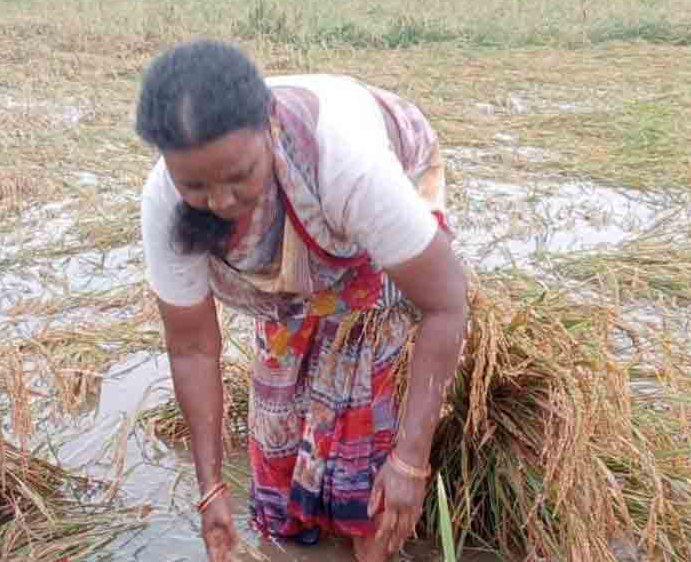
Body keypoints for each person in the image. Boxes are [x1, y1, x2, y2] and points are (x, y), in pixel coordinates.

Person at [135, 38, 467, 562]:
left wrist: (410, 461)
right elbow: (192, 348)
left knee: (360, 405)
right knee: (279, 411)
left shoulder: (350, 167)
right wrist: (211, 489)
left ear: (268, 127)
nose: (219, 202)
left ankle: (367, 538)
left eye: (238, 177)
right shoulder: (163, 205)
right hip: (299, 266)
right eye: (195, 185)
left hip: (381, 194)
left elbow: (446, 302)